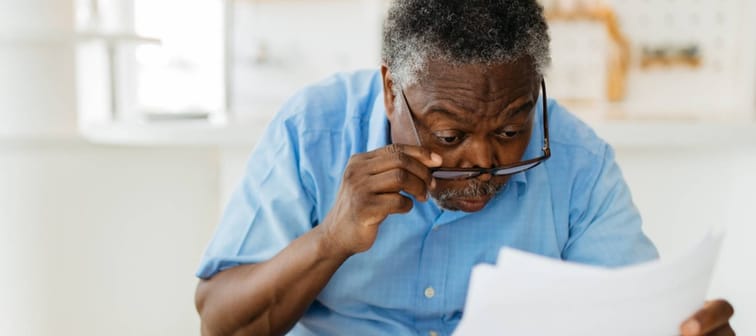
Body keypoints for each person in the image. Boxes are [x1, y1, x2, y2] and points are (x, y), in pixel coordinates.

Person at [194, 1, 735, 335]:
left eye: (509, 130)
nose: (484, 162)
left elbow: (632, 316)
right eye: (449, 135)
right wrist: (330, 240)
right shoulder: (312, 132)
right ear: (390, 91)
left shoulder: (579, 162)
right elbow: (219, 323)